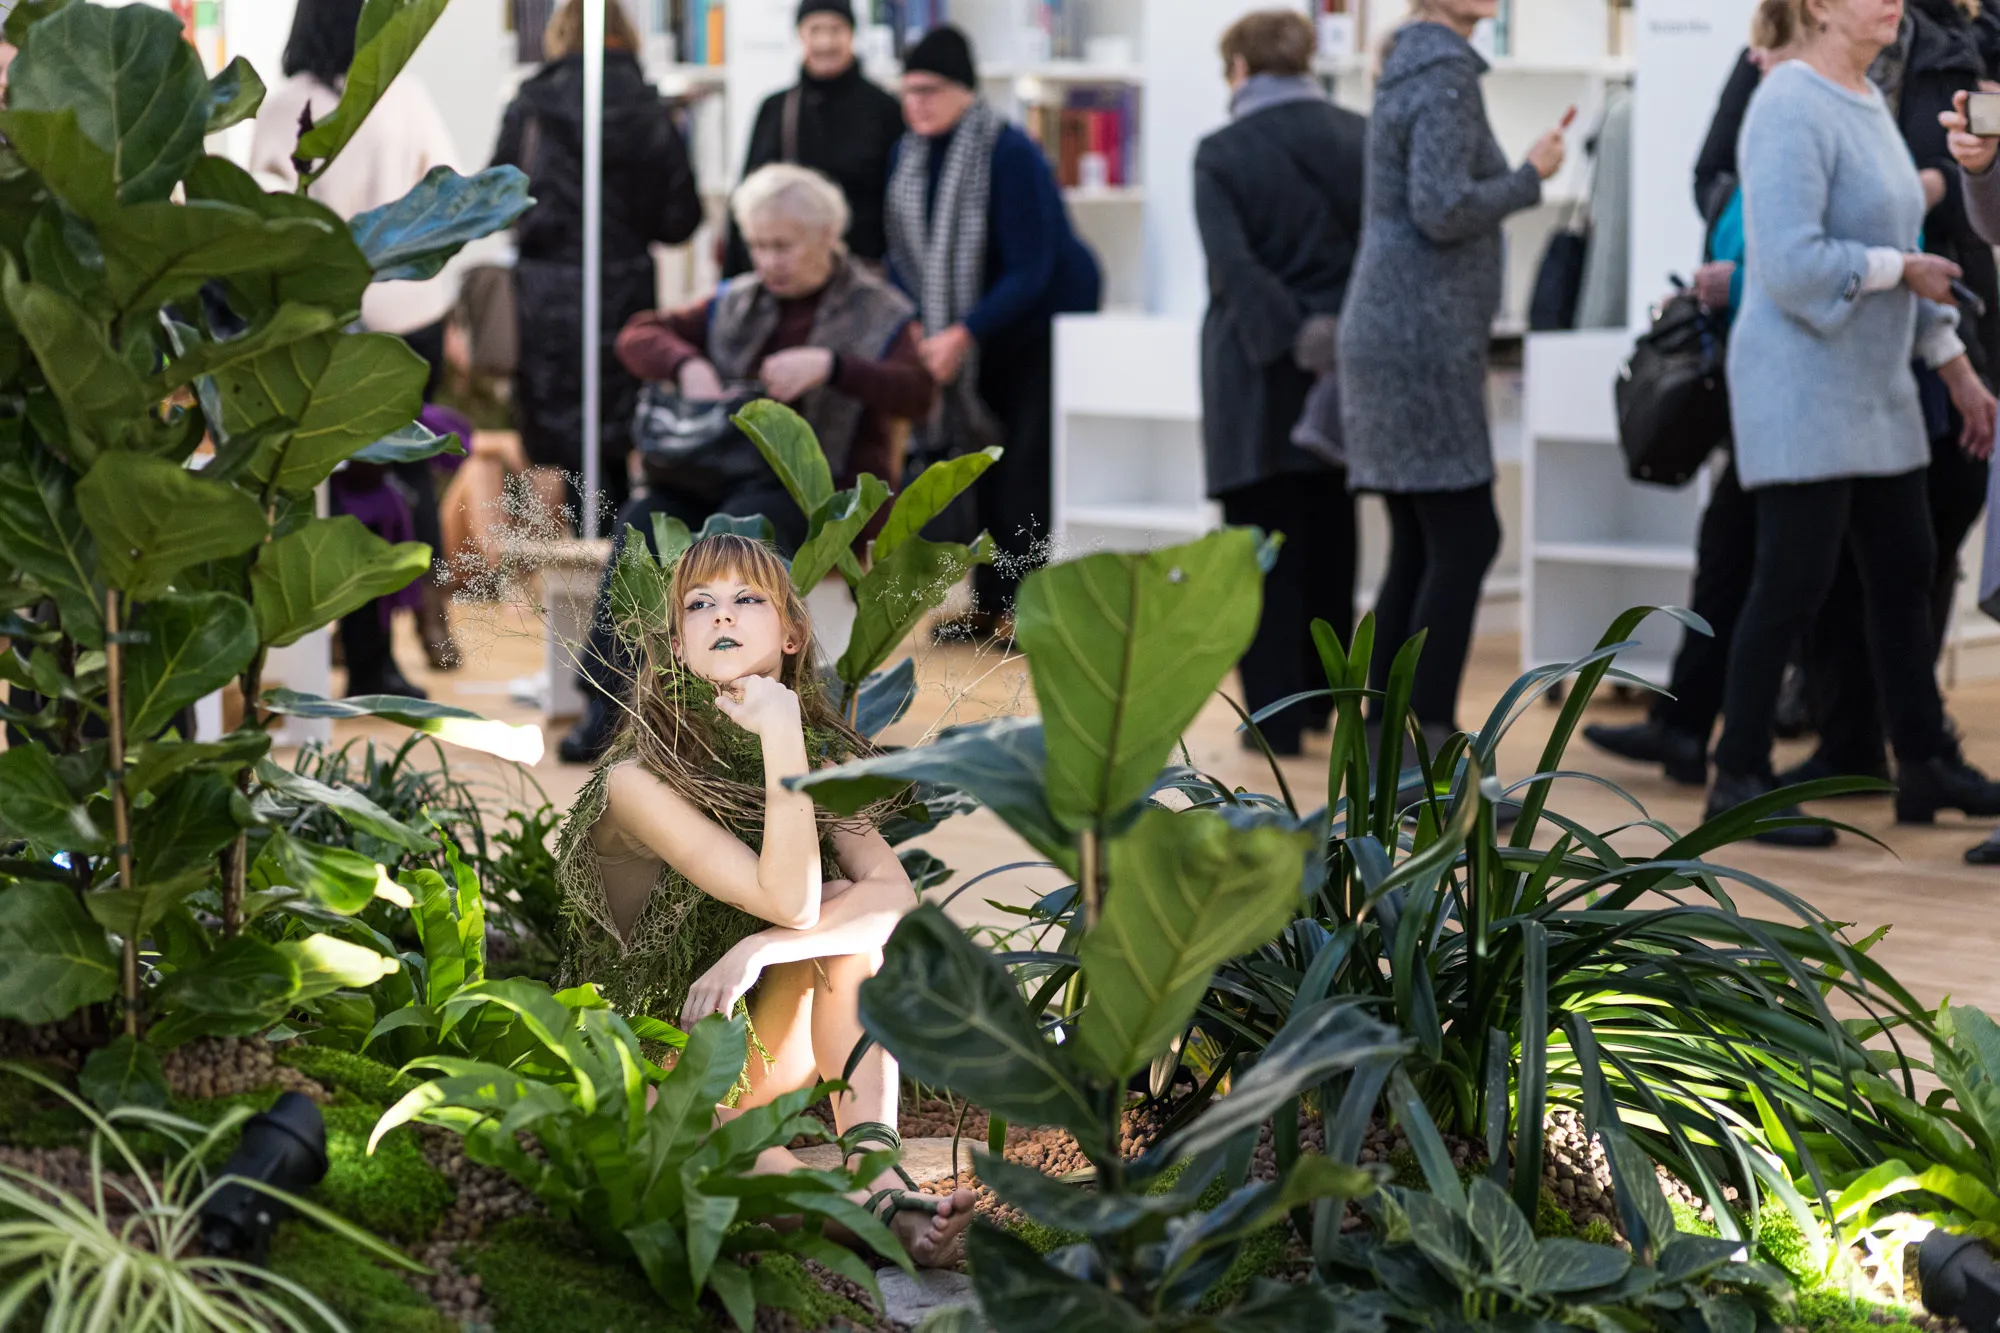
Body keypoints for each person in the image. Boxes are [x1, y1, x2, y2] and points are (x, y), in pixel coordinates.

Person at [552, 532, 977, 1266]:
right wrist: (782, 731)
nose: (723, 615)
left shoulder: (811, 750)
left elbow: (894, 897)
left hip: (748, 1048)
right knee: (682, 1134)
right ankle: (876, 1217)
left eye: (748, 598)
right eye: (700, 603)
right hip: (649, 1066)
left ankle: (878, 1166)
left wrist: (762, 949)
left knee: (854, 916)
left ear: (790, 634)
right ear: (678, 646)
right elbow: (785, 892)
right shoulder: (634, 780)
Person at [1707, 0, 2000, 845]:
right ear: (1817, 7)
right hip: (1800, 385)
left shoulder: (1866, 98)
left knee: (1907, 570)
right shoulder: (1787, 103)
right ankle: (1740, 776)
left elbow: (1906, 249)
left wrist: (1958, 368)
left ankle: (1923, 759)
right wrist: (1900, 269)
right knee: (1791, 580)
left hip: (1876, 387)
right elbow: (1793, 267)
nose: (1894, 3)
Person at [558, 165, 935, 764]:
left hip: (812, 492)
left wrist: (833, 367)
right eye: (758, 244)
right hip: (708, 476)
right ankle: (610, 706)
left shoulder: (878, 310)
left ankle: (713, 720)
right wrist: (686, 364)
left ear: (827, 236)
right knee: (638, 526)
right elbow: (639, 336)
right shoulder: (734, 299)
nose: (768, 260)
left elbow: (919, 392)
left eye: (782, 245)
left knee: (729, 542)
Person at [1337, 0, 1567, 738]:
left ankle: (1390, 741)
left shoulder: (1415, 65)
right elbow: (1439, 208)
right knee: (1465, 535)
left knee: (1425, 536)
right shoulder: (1443, 76)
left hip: (1399, 332)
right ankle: (1426, 740)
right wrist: (1531, 175)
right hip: (1420, 337)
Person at [1585, 4, 1800, 787]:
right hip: (1760, 346)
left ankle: (1707, 729)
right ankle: (1703, 732)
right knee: (1739, 546)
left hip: (1794, 354)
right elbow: (1717, 170)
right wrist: (1739, 247)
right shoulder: (1768, 64)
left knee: (1756, 549)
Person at [1786, 0, 1997, 790]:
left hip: (1945, 315)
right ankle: (1849, 736)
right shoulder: (1797, 83)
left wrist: (1952, 179)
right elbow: (1766, 216)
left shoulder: (1959, 48)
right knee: (1832, 556)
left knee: (1922, 538)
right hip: (1853, 328)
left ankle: (1913, 743)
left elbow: (1964, 215)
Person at [250, 0, 463, 698]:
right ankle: (423, 627)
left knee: (348, 491)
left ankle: (367, 651)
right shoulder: (406, 93)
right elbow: (451, 186)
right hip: (414, 308)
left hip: (335, 318)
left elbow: (267, 208)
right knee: (408, 472)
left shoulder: (291, 104)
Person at [885, 25, 1102, 641]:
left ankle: (1022, 612)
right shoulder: (910, 154)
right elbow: (902, 254)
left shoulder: (1007, 151)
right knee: (977, 468)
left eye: (928, 90)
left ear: (963, 91)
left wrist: (962, 331)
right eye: (907, 92)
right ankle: (986, 607)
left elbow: (1033, 266)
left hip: (1035, 326)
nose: (916, 103)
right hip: (966, 330)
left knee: (1023, 470)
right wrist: (926, 325)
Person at [1194, 11, 1365, 757]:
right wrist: (1333, 332)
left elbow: (1234, 269)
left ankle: (1275, 716)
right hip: (1346, 361)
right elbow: (1377, 251)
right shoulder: (1357, 135)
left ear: (1238, 68)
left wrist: (1288, 337)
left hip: (1256, 372)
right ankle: (1327, 700)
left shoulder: (1221, 151)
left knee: (1262, 545)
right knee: (1332, 530)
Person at [491, 0, 703, 526]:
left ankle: (568, 579)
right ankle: (612, 572)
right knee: (614, 440)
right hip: (623, 290)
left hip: (548, 296)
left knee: (559, 439)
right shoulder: (650, 109)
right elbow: (680, 220)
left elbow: (495, 200)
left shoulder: (531, 104)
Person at [722, 0, 905, 279]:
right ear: (799, 35)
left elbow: (901, 203)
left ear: (852, 34)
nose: (826, 42)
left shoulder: (885, 109)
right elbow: (748, 198)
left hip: (863, 279)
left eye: (836, 29)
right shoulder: (776, 109)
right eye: (815, 29)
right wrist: (732, 282)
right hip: (788, 278)